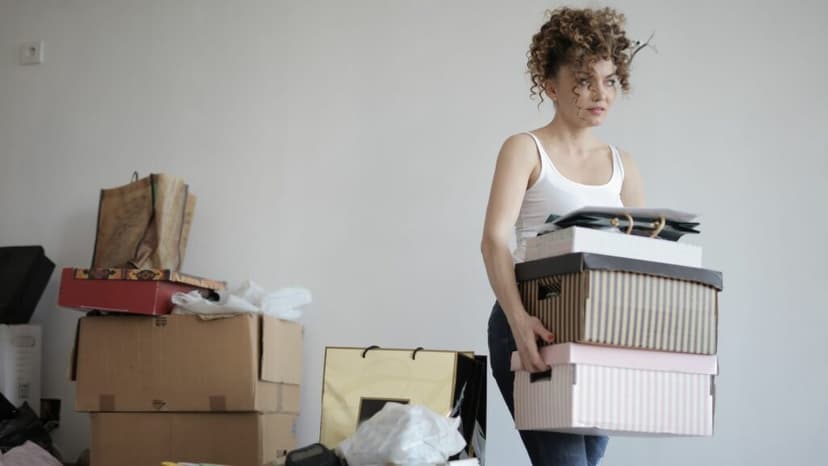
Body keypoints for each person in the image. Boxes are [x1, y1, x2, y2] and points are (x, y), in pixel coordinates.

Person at [480, 6, 645, 465]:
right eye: (584, 79)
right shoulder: (524, 149)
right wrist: (517, 322)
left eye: (610, 80)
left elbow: (636, 261)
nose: (601, 93)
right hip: (533, 324)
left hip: (600, 337)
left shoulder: (623, 165)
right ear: (550, 85)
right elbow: (495, 240)